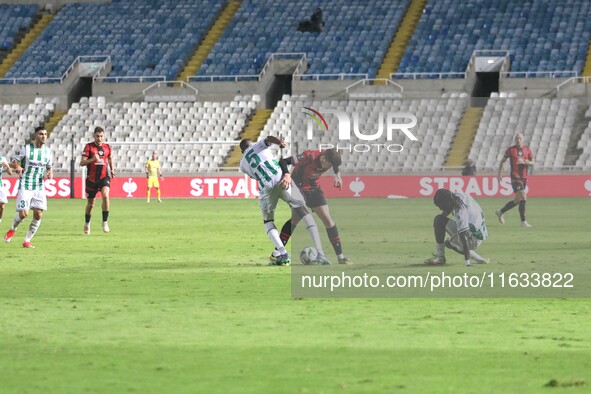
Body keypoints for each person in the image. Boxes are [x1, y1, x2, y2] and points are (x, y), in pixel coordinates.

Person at [239, 136, 329, 265]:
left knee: (268, 221)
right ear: (251, 144)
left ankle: (282, 254)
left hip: (266, 187)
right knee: (303, 212)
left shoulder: (242, 165)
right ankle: (320, 253)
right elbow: (269, 138)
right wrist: (279, 142)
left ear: (242, 151)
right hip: (281, 177)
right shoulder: (257, 145)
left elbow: (254, 176)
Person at [272, 148, 351, 265]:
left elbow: (334, 165)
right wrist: (287, 175)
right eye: (328, 164)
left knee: (328, 220)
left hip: (313, 188)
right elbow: (283, 161)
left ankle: (341, 257)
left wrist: (337, 176)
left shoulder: (329, 158)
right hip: (297, 188)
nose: (328, 167)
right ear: (323, 158)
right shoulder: (309, 156)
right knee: (295, 219)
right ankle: (277, 253)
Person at [4, 127, 53, 248]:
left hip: (39, 186)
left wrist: (50, 173)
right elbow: (13, 161)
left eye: (45, 134)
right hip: (25, 184)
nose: (43, 136)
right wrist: (18, 167)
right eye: (41, 134)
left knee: (38, 214)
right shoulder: (26, 149)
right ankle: (12, 229)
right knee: (24, 213)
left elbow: (49, 167)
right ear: (35, 135)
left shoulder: (48, 152)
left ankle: (27, 241)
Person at [424, 188, 489, 267]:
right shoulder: (458, 196)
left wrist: (467, 262)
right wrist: (440, 224)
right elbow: (449, 208)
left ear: (447, 203)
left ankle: (441, 257)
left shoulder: (460, 213)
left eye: (441, 206)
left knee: (449, 243)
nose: (440, 208)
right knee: (439, 220)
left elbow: (464, 238)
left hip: (474, 239)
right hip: (478, 232)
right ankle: (479, 258)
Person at [80, 126, 115, 235]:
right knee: (91, 204)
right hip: (91, 179)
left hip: (104, 177)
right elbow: (82, 163)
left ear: (103, 136)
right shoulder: (89, 147)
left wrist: (112, 169)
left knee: (106, 196)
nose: (99, 138)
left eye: (101, 136)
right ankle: (87, 223)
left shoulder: (107, 147)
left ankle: (105, 222)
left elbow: (109, 158)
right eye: (97, 136)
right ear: (94, 136)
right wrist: (93, 159)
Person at [495, 133, 535, 228]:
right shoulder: (511, 150)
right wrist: (499, 173)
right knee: (523, 195)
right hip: (515, 176)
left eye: (520, 138)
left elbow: (533, 162)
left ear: (523, 139)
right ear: (514, 139)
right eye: (516, 138)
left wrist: (528, 162)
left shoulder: (527, 149)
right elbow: (502, 161)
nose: (518, 140)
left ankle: (500, 212)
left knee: (517, 201)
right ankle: (523, 222)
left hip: (524, 177)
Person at [0, 152, 14, 225]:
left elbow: (10, 173)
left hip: (0, 185)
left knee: (2, 205)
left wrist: (7, 167)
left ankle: (0, 219)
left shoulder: (2, 159)